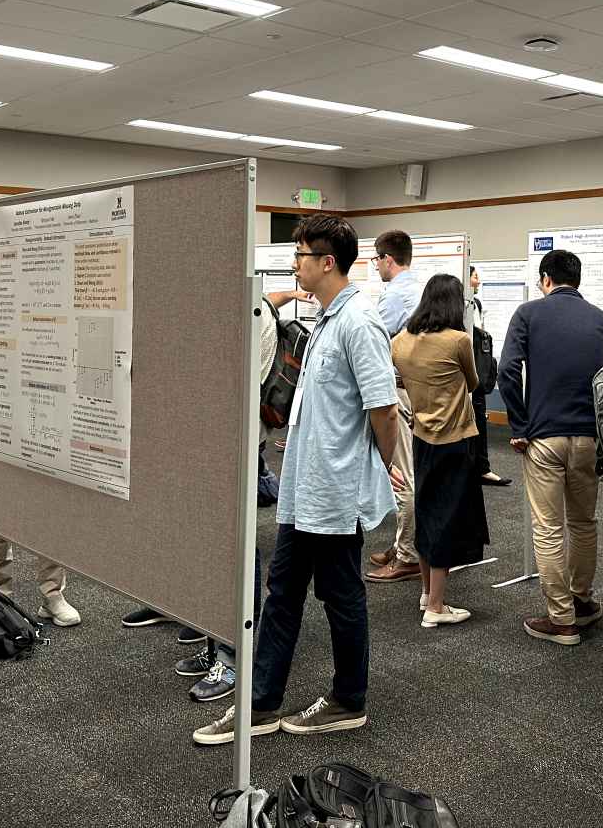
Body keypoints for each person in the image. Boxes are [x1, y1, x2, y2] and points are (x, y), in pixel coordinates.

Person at [195, 214, 401, 743]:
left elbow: (383, 409)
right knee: (284, 591)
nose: (294, 264)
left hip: (333, 492)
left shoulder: (359, 322)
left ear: (326, 262)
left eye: (301, 255)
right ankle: (261, 704)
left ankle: (347, 700)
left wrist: (380, 463)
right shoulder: (327, 319)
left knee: (340, 596)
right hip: (302, 489)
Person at [174, 285, 313, 705]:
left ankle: (234, 657)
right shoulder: (236, 298)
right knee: (216, 546)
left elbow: (228, 383)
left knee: (235, 547)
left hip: (233, 442)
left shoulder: (247, 311)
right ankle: (221, 644)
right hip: (216, 441)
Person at [497, 248, 603, 646]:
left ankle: (561, 620)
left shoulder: (528, 313)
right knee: (584, 523)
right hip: (588, 438)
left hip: (543, 437)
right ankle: (582, 602)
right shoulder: (599, 318)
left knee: (548, 528)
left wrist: (519, 423)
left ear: (545, 279)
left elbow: (507, 369)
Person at [391, 273, 488, 627]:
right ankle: (436, 607)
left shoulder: (400, 340)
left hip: (421, 437)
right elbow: (474, 384)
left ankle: (425, 593)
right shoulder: (459, 340)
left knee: (426, 509)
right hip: (456, 440)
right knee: (446, 520)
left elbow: (397, 379)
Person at [366, 229, 423, 585]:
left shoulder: (394, 298)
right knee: (414, 469)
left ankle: (407, 556)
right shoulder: (421, 289)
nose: (376, 266)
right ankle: (406, 543)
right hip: (418, 391)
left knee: (402, 475)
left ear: (388, 258)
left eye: (376, 259)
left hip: (399, 392)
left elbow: (373, 347)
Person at [465, 266, 508, 487]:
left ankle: (483, 468)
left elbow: (481, 332)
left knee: (480, 417)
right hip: (462, 369)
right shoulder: (458, 304)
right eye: (475, 276)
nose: (478, 280)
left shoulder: (476, 304)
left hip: (477, 369)